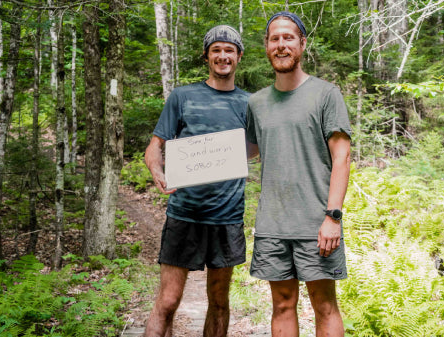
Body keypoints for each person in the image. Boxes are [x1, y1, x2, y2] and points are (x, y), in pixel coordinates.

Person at [245, 11, 352, 336]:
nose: (281, 45)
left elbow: (342, 156)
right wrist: (186, 167)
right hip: (272, 225)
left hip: (316, 224)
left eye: (288, 38)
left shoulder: (325, 94)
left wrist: (332, 216)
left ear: (302, 44)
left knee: (324, 305)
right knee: (281, 305)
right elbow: (247, 152)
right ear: (266, 46)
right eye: (274, 39)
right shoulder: (257, 102)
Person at [144, 25, 249, 337]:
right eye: (216, 50)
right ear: (207, 56)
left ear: (239, 56)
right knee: (168, 300)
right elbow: (154, 147)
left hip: (227, 217)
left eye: (229, 50)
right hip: (183, 214)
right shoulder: (183, 96)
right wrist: (158, 171)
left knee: (219, 301)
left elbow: (252, 150)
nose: (222, 56)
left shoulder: (249, 103)